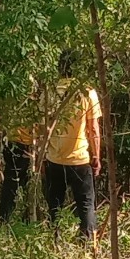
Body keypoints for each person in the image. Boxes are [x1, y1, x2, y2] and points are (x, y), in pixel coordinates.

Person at [39, 52, 101, 240]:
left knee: (54, 205)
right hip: (79, 159)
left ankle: (54, 241)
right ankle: (89, 244)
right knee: (86, 205)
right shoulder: (87, 92)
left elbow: (42, 127)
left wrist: (41, 156)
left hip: (54, 158)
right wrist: (96, 156)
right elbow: (93, 129)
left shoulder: (50, 91)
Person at [0, 95, 38, 222]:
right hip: (21, 145)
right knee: (14, 184)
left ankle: (14, 218)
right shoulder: (31, 100)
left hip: (13, 143)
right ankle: (5, 218)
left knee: (17, 184)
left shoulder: (14, 97)